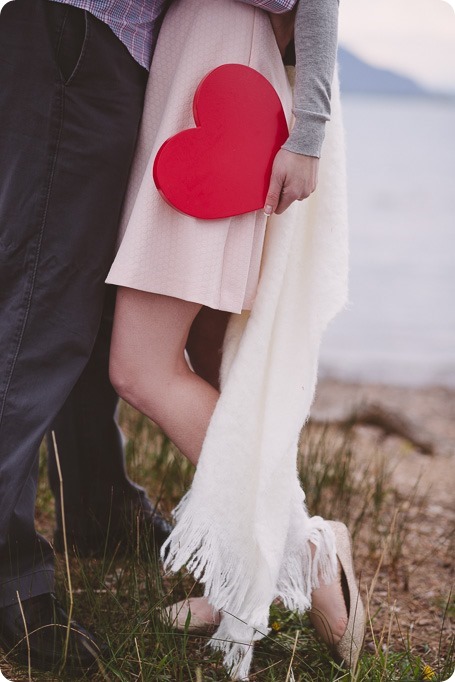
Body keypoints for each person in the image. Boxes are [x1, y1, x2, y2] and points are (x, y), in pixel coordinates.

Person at [0, 0, 326, 676]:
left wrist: (311, 126)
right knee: (57, 319)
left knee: (90, 322)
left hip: (165, 65)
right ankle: (295, 550)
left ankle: (124, 516)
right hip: (119, 51)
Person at [106, 0, 366, 679]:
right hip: (189, 69)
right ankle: (238, 581)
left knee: (142, 367)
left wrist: (308, 131)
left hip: (225, 75)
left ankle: (300, 547)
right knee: (212, 359)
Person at [0, 0, 173, 673]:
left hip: (89, 49)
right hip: (78, 46)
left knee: (82, 303)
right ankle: (11, 587)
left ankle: (98, 504)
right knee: (35, 318)